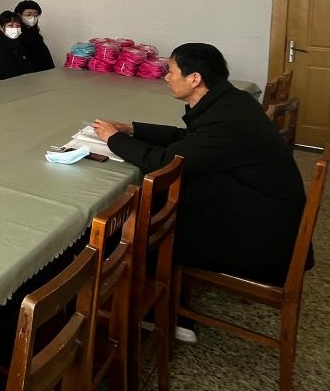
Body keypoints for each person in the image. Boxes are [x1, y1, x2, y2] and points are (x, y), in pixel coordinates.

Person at [92, 43, 308, 285]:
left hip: (259, 237)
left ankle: (133, 296)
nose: (166, 78)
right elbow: (187, 138)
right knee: (153, 207)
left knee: (134, 234)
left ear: (194, 79)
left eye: (171, 72)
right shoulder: (230, 101)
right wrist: (132, 129)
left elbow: (165, 163)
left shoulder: (225, 120)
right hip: (253, 205)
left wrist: (113, 138)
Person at [0, 10, 34, 82]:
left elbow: (30, 68)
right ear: (1, 27)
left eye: (18, 26)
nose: (15, 28)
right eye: (10, 25)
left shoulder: (20, 44)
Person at [14, 0, 55, 72]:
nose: (33, 18)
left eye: (36, 15)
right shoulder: (15, 34)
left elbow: (46, 56)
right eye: (28, 15)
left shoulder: (35, 33)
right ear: (19, 15)